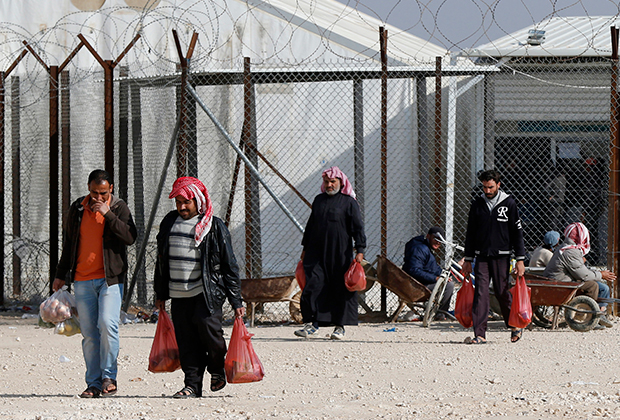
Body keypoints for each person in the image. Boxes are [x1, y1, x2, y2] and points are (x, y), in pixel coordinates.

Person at [154, 177, 245, 399]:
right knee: (186, 341)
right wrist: (160, 294)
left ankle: (216, 369)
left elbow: (229, 265)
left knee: (210, 333)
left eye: (186, 202)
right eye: (178, 202)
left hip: (206, 293)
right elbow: (161, 261)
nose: (182, 207)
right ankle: (192, 385)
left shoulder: (214, 226)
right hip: (178, 294)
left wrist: (236, 301)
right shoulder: (168, 222)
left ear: (198, 200)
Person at [53, 169, 137, 398]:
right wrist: (61, 274)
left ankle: (109, 376)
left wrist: (108, 214)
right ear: (88, 189)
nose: (97, 198)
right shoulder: (78, 208)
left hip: (110, 280)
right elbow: (69, 242)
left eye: (102, 193)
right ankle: (93, 382)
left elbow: (130, 237)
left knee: (107, 324)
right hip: (82, 279)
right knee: (90, 334)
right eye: (93, 193)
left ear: (110, 189)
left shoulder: (119, 208)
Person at [295, 166, 366, 340]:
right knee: (314, 285)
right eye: (326, 182)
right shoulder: (319, 201)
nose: (329, 185)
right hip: (316, 252)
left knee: (339, 288)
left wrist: (360, 249)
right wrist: (304, 249)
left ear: (340, 183)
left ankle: (339, 327)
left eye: (333, 182)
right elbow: (311, 227)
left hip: (339, 253)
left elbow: (357, 227)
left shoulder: (349, 203)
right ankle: (313, 324)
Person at [461, 169, 526, 344]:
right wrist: (468, 259)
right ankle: (479, 334)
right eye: (484, 187)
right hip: (481, 256)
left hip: (502, 256)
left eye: (490, 187)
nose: (487, 191)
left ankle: (514, 326)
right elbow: (470, 234)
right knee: (481, 293)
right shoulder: (477, 204)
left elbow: (517, 233)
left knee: (502, 291)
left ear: (498, 185)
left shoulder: (509, 203)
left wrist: (520, 259)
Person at [542, 222, 615, 328]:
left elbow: (579, 270)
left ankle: (598, 315)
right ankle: (588, 317)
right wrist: (601, 274)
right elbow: (583, 275)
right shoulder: (570, 251)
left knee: (601, 287)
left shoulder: (567, 248)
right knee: (592, 285)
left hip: (560, 280)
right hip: (560, 284)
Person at [402, 226, 454, 319]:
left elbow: (432, 267)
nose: (438, 242)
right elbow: (414, 270)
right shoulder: (420, 249)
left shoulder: (425, 248)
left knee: (447, 282)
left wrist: (443, 274)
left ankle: (438, 313)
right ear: (428, 236)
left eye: (440, 240)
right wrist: (435, 278)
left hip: (417, 283)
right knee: (449, 286)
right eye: (435, 238)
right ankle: (440, 314)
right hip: (415, 285)